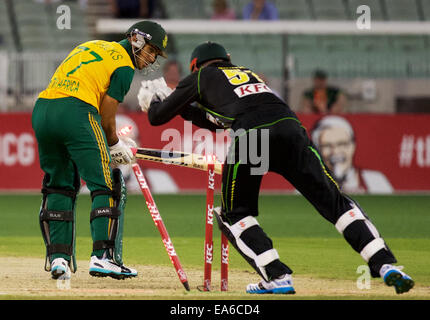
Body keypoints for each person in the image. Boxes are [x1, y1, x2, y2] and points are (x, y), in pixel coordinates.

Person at [137, 41, 414, 294]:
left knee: (234, 214)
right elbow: (215, 121)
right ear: (228, 59)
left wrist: (155, 103)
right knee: (335, 203)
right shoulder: (249, 74)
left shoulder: (201, 76)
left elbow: (158, 118)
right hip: (291, 129)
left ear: (194, 66)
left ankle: (277, 276)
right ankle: (385, 263)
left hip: (253, 136)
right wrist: (181, 107)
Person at [32, 20, 168, 280]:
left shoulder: (92, 44)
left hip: (42, 110)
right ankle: (102, 258)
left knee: (59, 183)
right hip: (75, 111)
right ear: (136, 40)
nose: (151, 59)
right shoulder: (124, 65)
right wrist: (115, 143)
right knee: (104, 184)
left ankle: (59, 258)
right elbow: (107, 114)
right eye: (151, 50)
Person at [312, 116, 393, 194]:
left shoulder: (375, 181)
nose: (335, 152)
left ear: (353, 146)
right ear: (317, 150)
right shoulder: (311, 182)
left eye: (342, 144)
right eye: (327, 145)